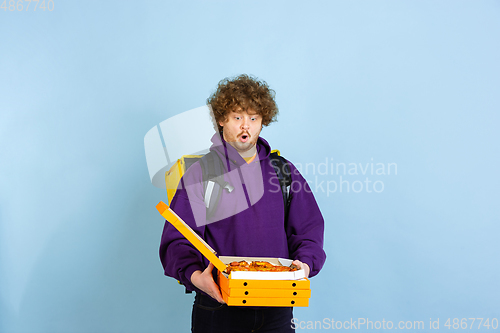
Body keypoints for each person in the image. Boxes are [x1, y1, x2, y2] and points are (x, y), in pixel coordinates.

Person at [159, 74, 326, 333]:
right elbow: (177, 240)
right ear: (222, 120)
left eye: (254, 118)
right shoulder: (200, 173)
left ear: (263, 122)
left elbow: (308, 230)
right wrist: (196, 277)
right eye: (237, 117)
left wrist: (303, 264)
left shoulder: (284, 171)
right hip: (219, 305)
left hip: (277, 306)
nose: (245, 126)